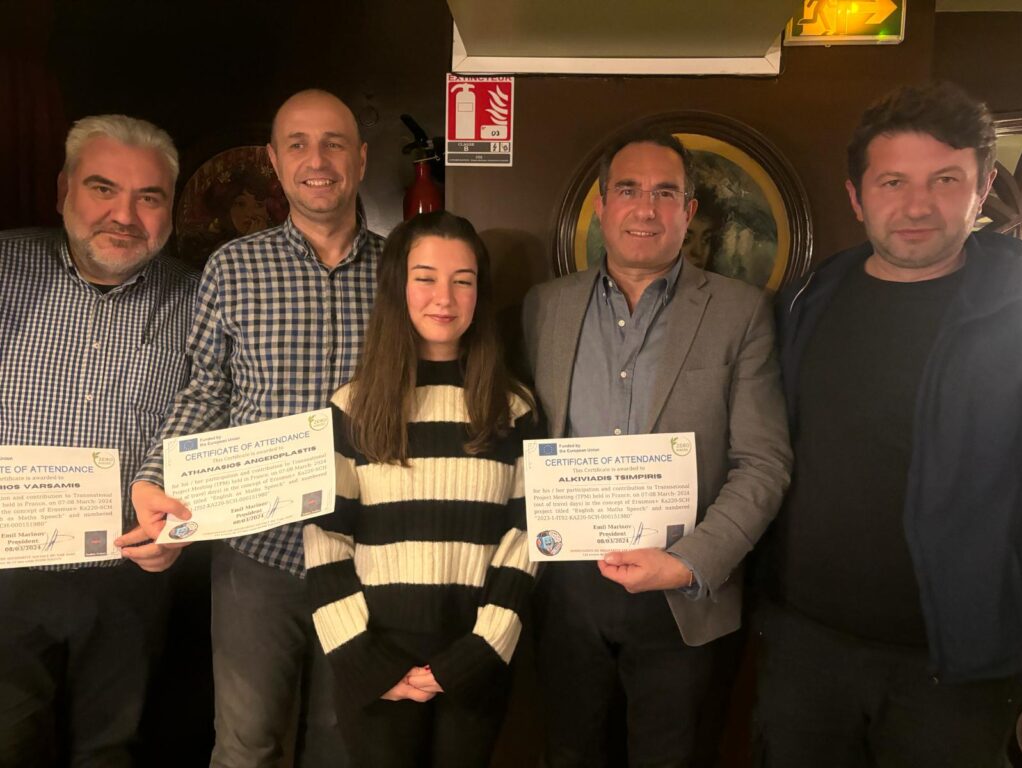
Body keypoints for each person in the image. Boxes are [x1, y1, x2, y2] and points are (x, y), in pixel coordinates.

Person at [757, 81, 1022, 767]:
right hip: (803, 646)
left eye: (945, 180)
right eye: (893, 181)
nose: (917, 205)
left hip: (956, 666)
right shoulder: (809, 298)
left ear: (982, 189)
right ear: (857, 196)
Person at [522, 129, 792, 767]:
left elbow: (763, 463)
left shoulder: (741, 313)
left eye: (665, 192)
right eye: (628, 190)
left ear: (688, 211)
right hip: (566, 593)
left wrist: (690, 564)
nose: (646, 208)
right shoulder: (544, 308)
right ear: (602, 205)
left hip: (683, 595)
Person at [131, 89, 384, 767]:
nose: (316, 160)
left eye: (333, 143)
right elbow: (206, 389)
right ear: (274, 161)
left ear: (361, 159)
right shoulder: (233, 268)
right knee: (246, 748)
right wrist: (156, 478)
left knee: (348, 746)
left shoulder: (402, 273)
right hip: (255, 557)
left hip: (368, 553)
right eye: (298, 144)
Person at [304, 211, 538, 767]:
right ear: (397, 287)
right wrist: (363, 661)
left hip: (476, 660)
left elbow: (525, 539)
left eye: (463, 280)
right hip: (374, 662)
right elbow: (325, 541)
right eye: (425, 277)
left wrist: (479, 652)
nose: (444, 298)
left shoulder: (513, 409)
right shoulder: (350, 407)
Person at [0, 114, 197, 766]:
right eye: (103, 188)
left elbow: (213, 417)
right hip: (6, 573)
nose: (125, 215)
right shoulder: (4, 267)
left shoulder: (200, 297)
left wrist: (178, 517)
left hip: (129, 576)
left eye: (149, 197)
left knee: (112, 753)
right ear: (64, 190)